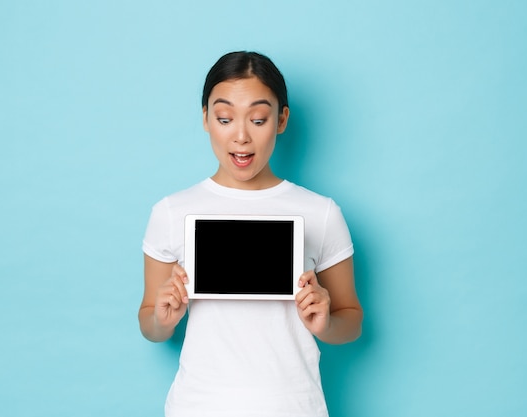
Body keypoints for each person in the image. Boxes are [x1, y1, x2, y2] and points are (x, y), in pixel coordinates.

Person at [139, 51, 363, 417]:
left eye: (258, 119)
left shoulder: (320, 213)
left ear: (281, 120)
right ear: (206, 119)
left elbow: (350, 320)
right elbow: (150, 323)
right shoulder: (170, 212)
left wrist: (326, 322)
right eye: (224, 118)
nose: (241, 136)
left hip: (295, 406)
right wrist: (163, 319)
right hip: (198, 406)